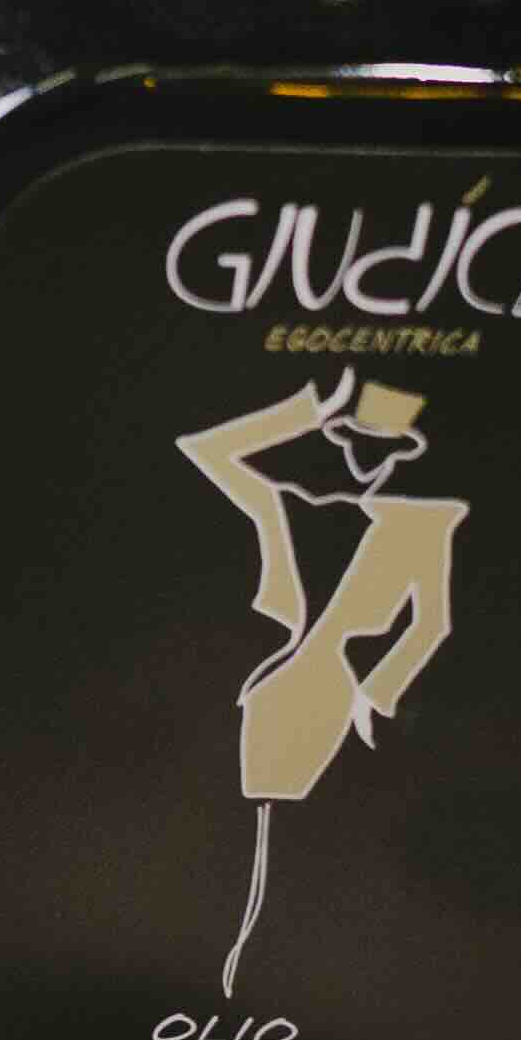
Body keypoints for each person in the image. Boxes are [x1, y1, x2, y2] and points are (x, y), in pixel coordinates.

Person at [175, 372, 468, 994]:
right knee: (258, 830)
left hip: (343, 694)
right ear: (339, 441)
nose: (368, 460)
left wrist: (375, 693)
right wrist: (309, 408)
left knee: (319, 842)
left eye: (382, 450)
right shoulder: (291, 508)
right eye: (358, 443)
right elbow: (205, 450)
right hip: (272, 688)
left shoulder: (423, 525)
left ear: (399, 456)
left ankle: (289, 978)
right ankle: (235, 977)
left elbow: (432, 624)